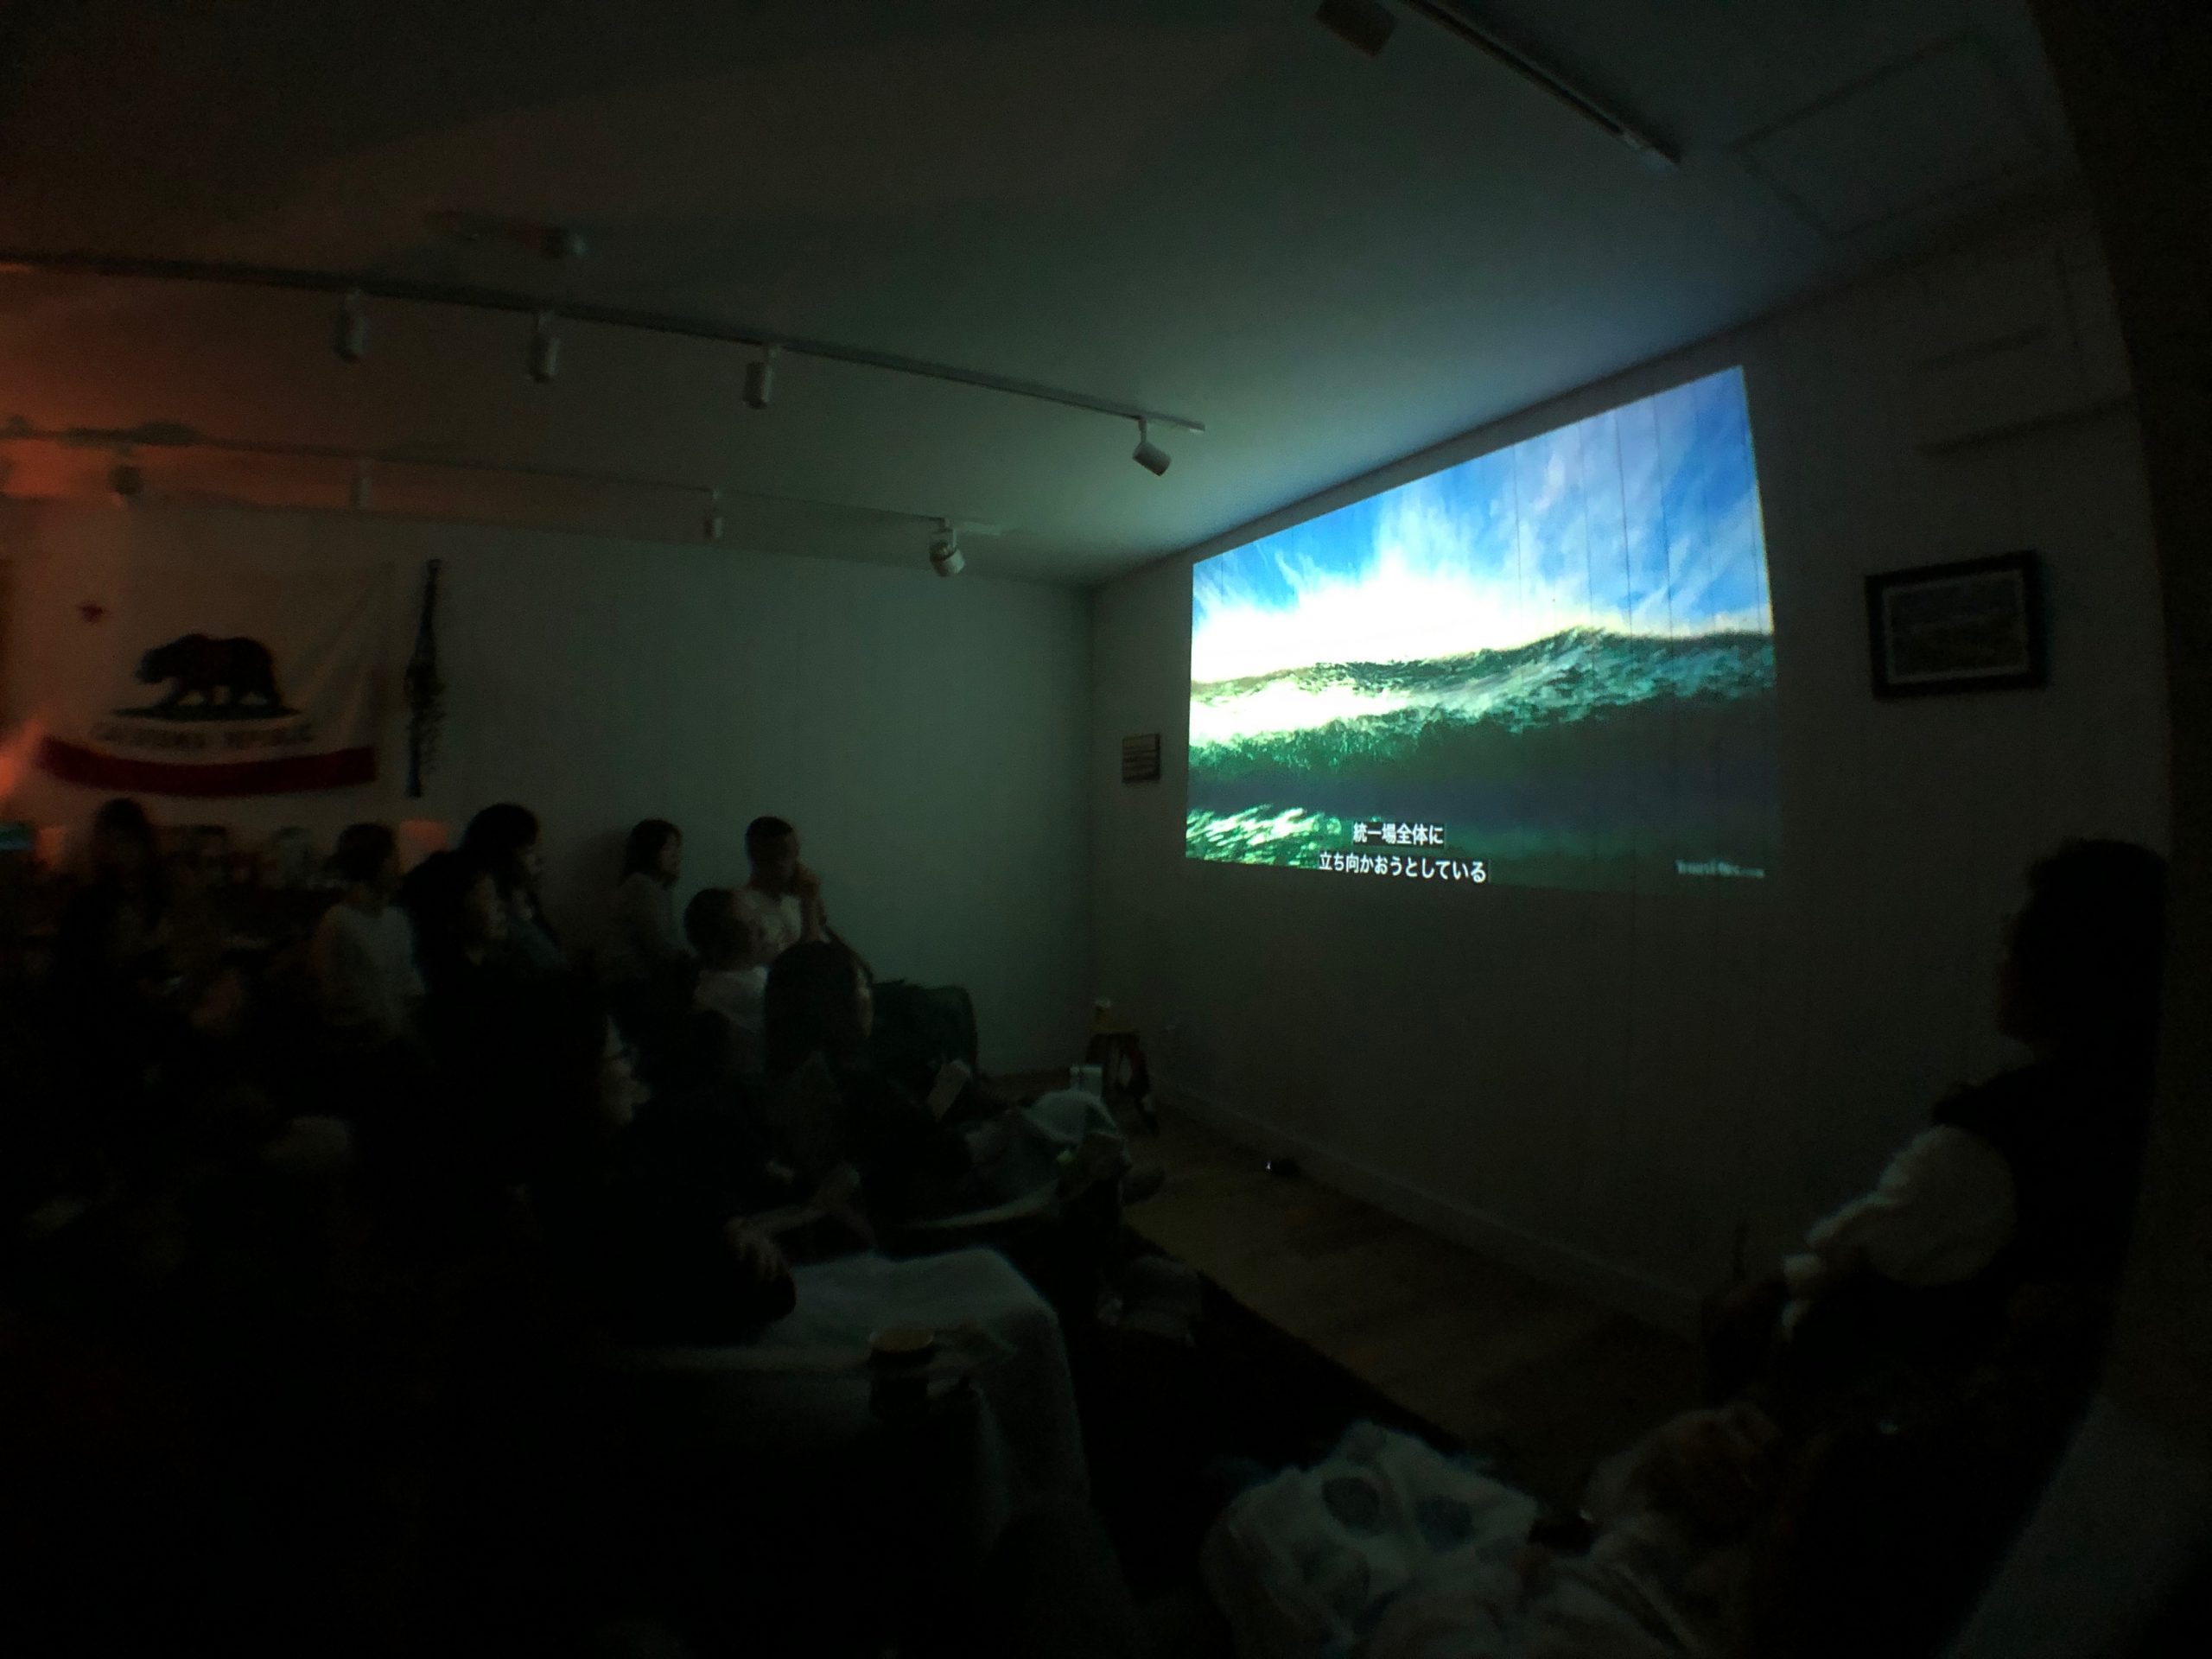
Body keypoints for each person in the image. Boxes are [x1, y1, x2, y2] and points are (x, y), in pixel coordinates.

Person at [1708, 839, 2169, 1414]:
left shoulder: (1984, 1148)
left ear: (2063, 970)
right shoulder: (2148, 1109)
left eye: (2014, 942)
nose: (2000, 963)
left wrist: (1769, 1290)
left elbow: (1863, 1247)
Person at [310, 823, 423, 1048]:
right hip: (358, 1048)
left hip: (398, 1043)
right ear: (375, 863)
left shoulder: (396, 920)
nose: (399, 868)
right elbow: (331, 996)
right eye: (393, 859)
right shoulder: (339, 922)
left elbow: (409, 985)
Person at [461, 803, 565, 975]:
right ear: (503, 858)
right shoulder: (494, 924)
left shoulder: (527, 906)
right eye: (528, 851)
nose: (539, 860)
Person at [686, 886, 768, 1080]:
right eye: (751, 925)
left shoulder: (721, 979)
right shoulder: (744, 993)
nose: (763, 931)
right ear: (722, 939)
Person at [599, 818, 687, 989]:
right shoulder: (640, 885)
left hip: (642, 975)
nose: (676, 854)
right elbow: (656, 940)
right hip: (627, 979)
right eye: (667, 848)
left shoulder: (660, 888)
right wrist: (685, 961)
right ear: (650, 852)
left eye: (677, 847)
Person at [737, 816, 832, 967]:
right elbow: (806, 962)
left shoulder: (794, 901)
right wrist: (809, 905)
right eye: (791, 855)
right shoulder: (744, 909)